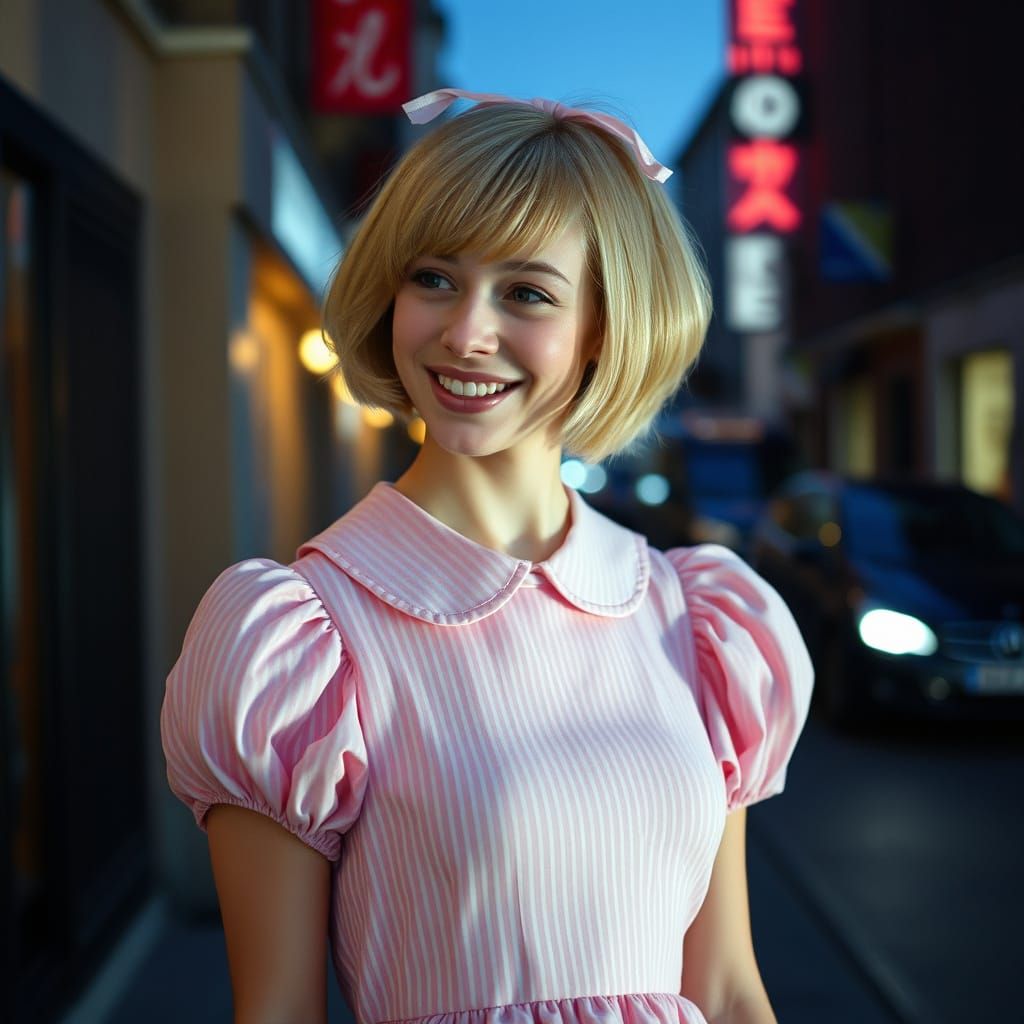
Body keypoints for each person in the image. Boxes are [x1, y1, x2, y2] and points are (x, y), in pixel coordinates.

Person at [160, 87, 814, 1024]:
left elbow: (727, 990)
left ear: (603, 327)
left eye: (527, 293)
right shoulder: (301, 640)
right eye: (433, 278)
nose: (466, 333)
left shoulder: (696, 617)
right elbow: (276, 1012)